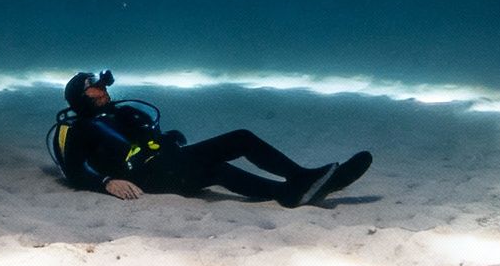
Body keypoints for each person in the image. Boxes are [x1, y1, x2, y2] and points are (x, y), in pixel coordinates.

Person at [52, 70, 372, 207]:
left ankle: (305, 178)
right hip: (147, 177)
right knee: (218, 169)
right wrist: (108, 181)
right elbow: (74, 172)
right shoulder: (77, 129)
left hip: (167, 161)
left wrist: (168, 138)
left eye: (103, 86)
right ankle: (290, 193)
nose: (104, 90)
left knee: (241, 137)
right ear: (80, 97)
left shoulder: (118, 114)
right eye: (95, 88)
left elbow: (149, 135)